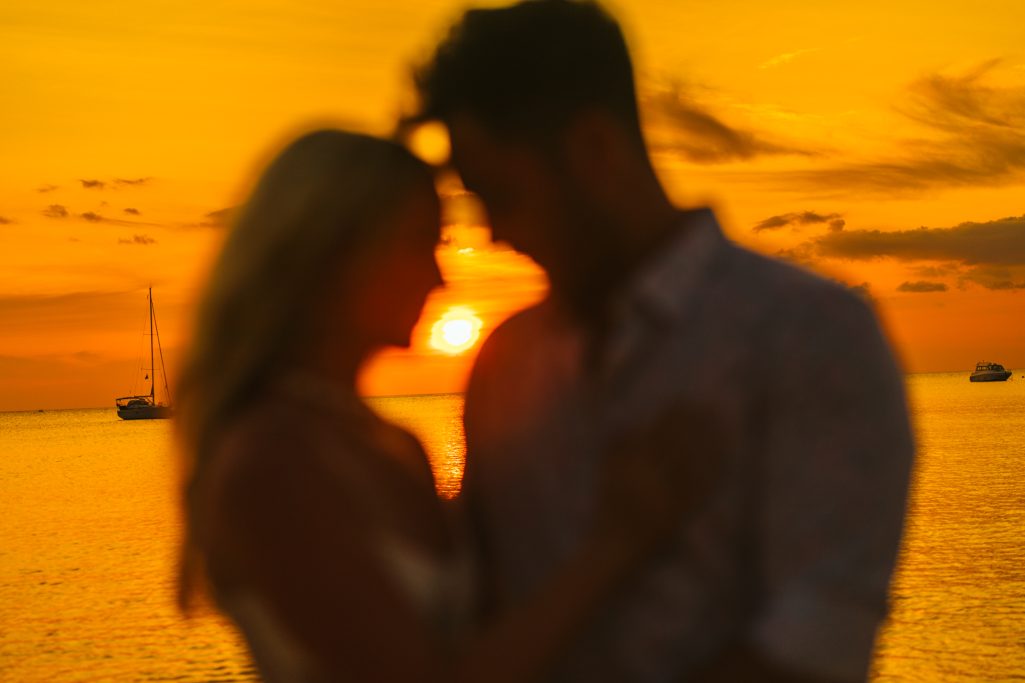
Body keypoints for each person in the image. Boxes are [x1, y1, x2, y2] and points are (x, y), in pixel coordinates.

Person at [411, 1, 915, 681]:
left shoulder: (809, 336)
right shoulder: (503, 365)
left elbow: (812, 650)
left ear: (595, 148)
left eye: (499, 195)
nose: (492, 235)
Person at [174, 129, 719, 682]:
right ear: (336, 251)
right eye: (418, 242)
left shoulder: (390, 444)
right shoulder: (270, 464)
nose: (440, 277)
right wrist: (618, 541)